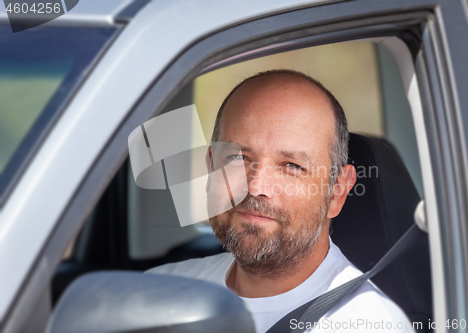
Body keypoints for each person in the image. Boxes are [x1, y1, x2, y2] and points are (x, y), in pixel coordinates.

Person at [147, 70, 414, 332]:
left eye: (291, 165)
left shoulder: (368, 324)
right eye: (237, 158)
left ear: (337, 192)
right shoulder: (155, 294)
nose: (256, 187)